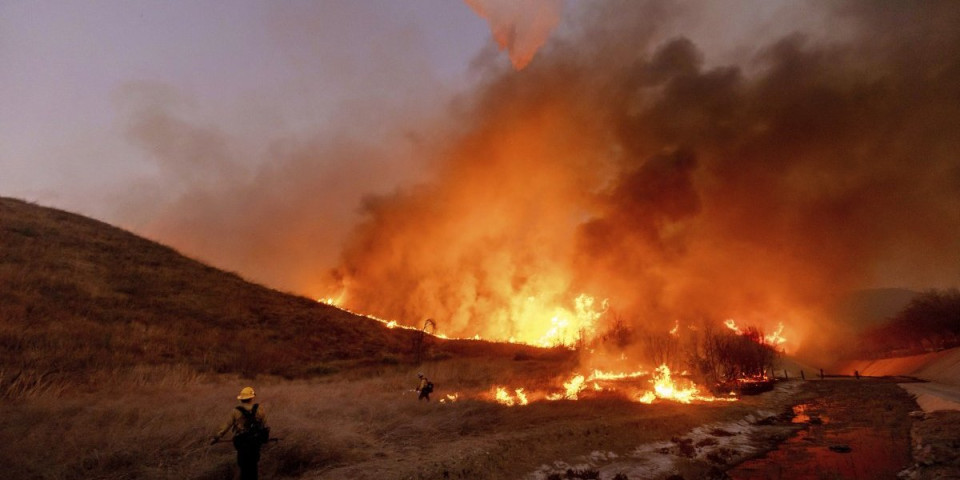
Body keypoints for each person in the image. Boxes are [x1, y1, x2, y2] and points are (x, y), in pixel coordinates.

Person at [211, 386, 270, 480]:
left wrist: (216, 437)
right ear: (252, 397)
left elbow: (226, 425)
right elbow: (265, 425)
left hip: (242, 443)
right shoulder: (260, 409)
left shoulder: (235, 411)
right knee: (253, 467)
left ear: (242, 399)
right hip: (255, 443)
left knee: (243, 467)